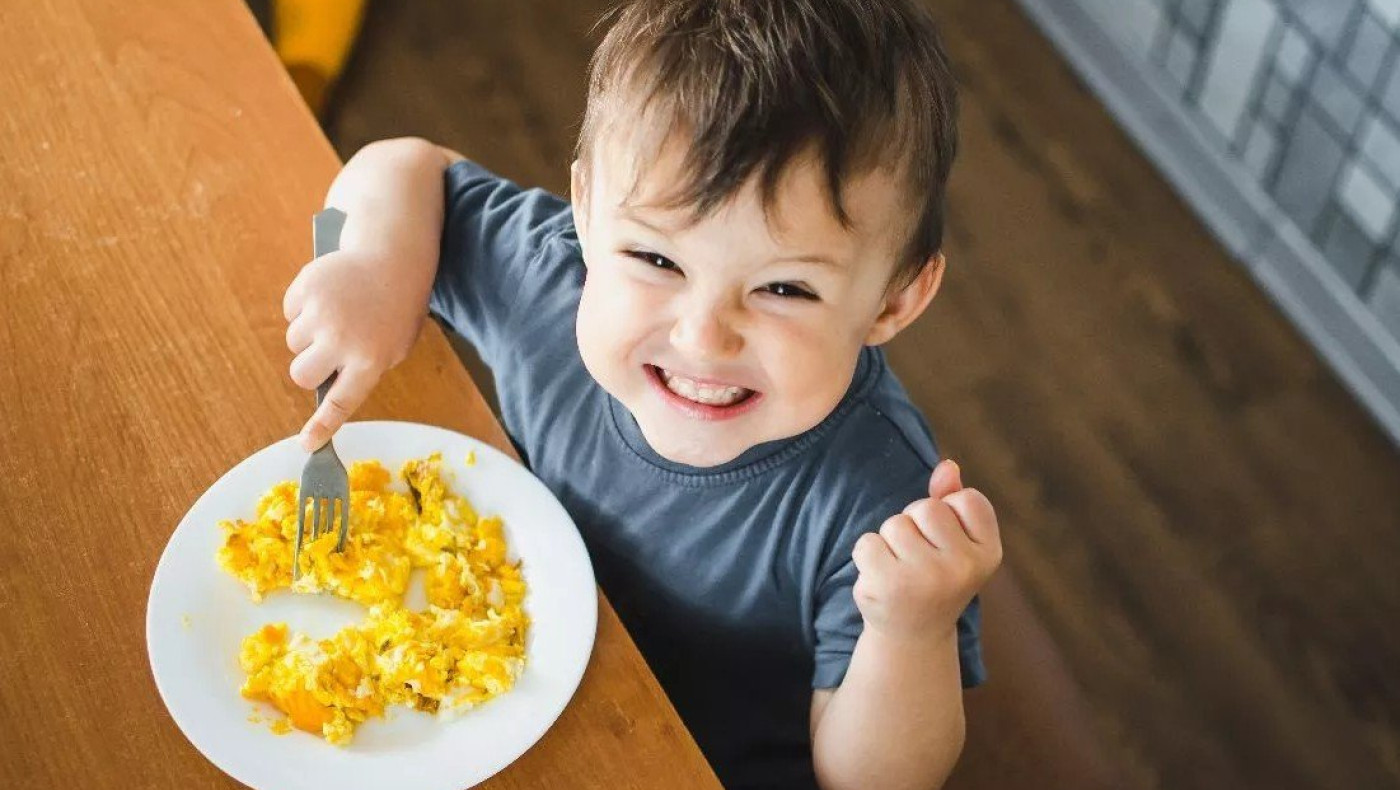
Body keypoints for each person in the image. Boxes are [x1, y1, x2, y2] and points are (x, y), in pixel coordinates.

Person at [280, 1, 1003, 786]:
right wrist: (376, 266)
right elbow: (404, 166)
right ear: (586, 212)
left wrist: (911, 631)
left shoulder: (880, 505)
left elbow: (873, 782)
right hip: (493, 691)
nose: (704, 337)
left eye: (784, 288)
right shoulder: (550, 283)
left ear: (894, 301)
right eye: (658, 261)